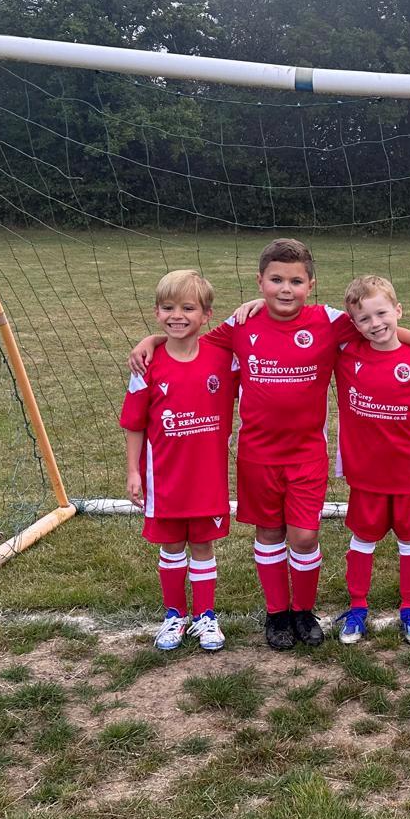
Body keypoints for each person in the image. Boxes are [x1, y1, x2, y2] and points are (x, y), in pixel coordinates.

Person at [131, 239, 410, 652]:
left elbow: (377, 328)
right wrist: (153, 340)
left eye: (295, 281)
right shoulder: (242, 325)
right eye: (276, 280)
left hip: (306, 455)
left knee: (304, 536)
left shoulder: (328, 321)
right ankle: (277, 613)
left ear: (310, 285)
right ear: (260, 282)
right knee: (269, 533)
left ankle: (303, 610)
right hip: (258, 455)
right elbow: (188, 339)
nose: (285, 289)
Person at [119, 269, 236, 652]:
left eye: (188, 308)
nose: (177, 316)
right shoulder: (146, 365)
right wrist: (133, 471)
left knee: (203, 546)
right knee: (171, 547)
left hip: (207, 477)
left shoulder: (224, 359)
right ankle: (174, 615)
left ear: (206, 315)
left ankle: (205, 616)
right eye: (168, 308)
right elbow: (134, 423)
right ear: (156, 312)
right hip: (164, 478)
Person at [333, 274, 410, 646]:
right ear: (354, 324)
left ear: (398, 310)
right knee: (362, 539)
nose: (375, 323)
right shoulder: (345, 351)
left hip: (407, 472)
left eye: (382, 313)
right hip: (365, 473)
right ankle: (357, 607)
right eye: (364, 319)